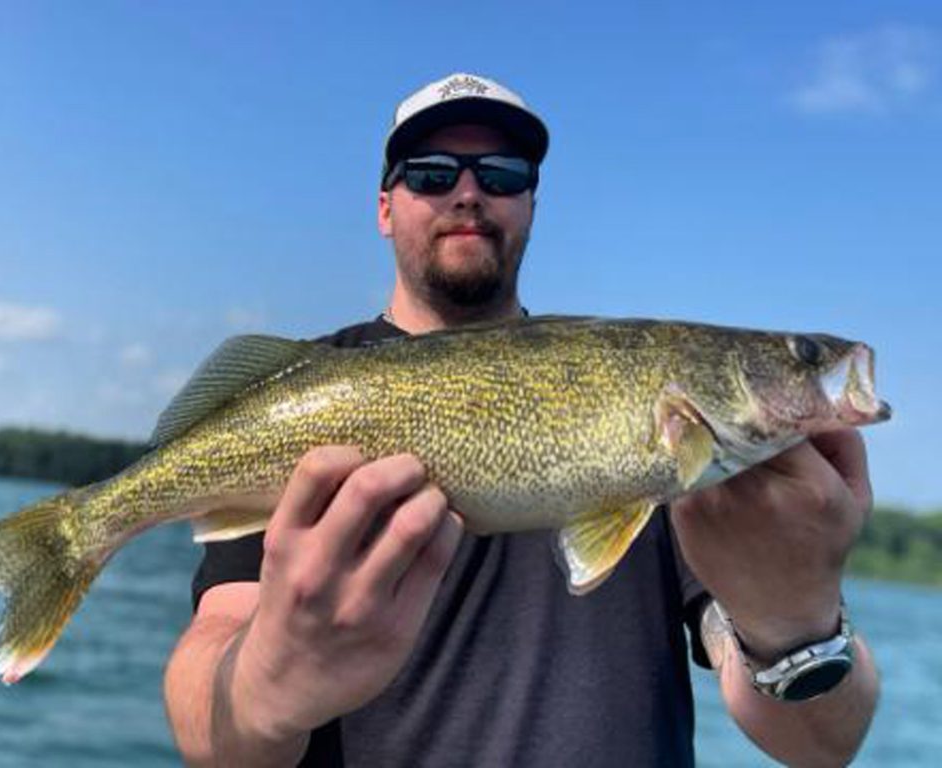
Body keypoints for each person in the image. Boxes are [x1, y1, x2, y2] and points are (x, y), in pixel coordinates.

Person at [164, 73, 880, 767]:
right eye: (432, 173)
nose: (469, 194)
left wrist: (793, 625)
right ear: (385, 207)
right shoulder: (300, 394)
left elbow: (822, 747)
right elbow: (212, 700)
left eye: (503, 175)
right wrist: (264, 691)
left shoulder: (691, 460)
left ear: (532, 205)